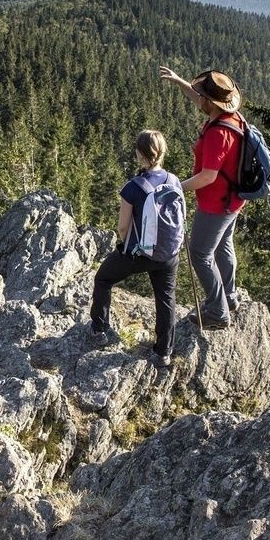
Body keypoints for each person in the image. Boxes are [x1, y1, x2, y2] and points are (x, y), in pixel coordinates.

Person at [159, 67, 244, 330]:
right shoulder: (231, 117)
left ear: (211, 102)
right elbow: (200, 100)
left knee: (200, 254)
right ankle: (228, 297)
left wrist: (174, 187)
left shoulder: (219, 133)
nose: (199, 100)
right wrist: (179, 81)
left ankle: (218, 313)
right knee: (223, 245)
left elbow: (208, 176)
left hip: (216, 204)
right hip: (233, 200)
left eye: (202, 97)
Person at [89, 130, 182, 368]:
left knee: (103, 279)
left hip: (140, 253)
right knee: (165, 299)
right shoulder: (174, 181)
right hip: (169, 253)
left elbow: (123, 227)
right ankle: (163, 353)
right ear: (162, 152)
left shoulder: (133, 187)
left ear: (140, 154)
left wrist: (130, 248)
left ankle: (99, 330)